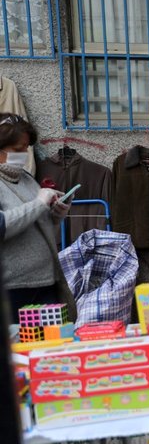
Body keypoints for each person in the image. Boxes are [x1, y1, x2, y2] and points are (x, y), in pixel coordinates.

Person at [0, 113, 71, 311]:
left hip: (46, 281)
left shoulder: (25, 178)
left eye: (26, 148)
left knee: (54, 340)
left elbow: (34, 220)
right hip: (12, 289)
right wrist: (39, 203)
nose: (24, 154)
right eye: (17, 149)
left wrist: (55, 213)